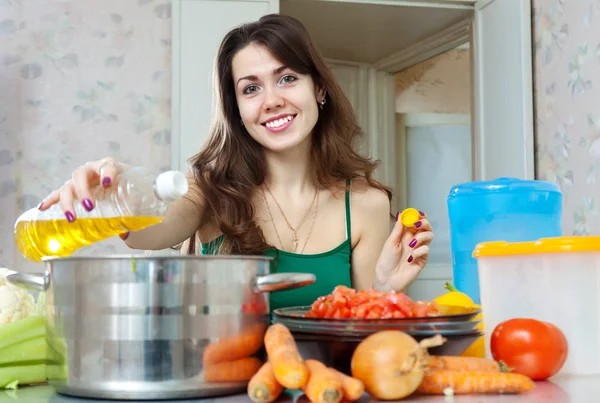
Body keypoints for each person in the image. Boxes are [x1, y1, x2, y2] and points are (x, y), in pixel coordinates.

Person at [38, 14, 434, 310]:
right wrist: (117, 194)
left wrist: (385, 289)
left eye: (287, 78)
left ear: (320, 90)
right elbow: (151, 230)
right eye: (250, 88)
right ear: (237, 109)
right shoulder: (207, 193)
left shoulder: (366, 204)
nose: (271, 100)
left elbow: (364, 333)